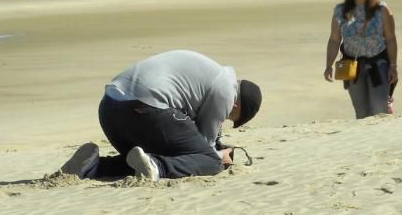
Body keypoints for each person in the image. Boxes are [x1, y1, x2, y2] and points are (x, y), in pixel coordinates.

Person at [60, 50, 262, 181]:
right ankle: (157, 167)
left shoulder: (210, 74)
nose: (223, 119)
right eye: (229, 116)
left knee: (147, 157)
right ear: (235, 104)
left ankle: (94, 167)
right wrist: (222, 156)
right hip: (145, 109)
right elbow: (205, 148)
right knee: (210, 162)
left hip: (108, 109)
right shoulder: (225, 91)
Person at [323, 0, 398, 118]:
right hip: (352, 67)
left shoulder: (381, 9)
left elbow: (390, 39)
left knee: (379, 110)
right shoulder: (340, 11)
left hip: (378, 64)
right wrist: (328, 65)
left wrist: (393, 66)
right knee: (361, 112)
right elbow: (334, 39)